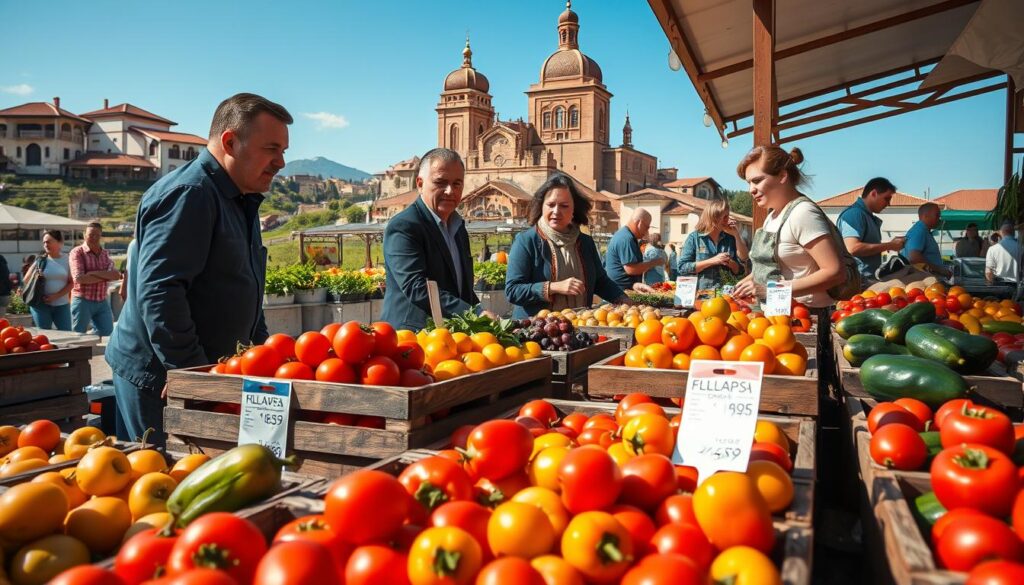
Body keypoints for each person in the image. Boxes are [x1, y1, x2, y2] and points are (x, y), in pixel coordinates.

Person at [106, 93, 291, 446]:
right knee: (165, 479)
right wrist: (194, 375)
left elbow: (243, 287)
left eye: (284, 151)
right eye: (272, 149)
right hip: (161, 381)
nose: (280, 162)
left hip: (207, 377)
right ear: (230, 142)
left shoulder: (239, 198)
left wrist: (263, 353)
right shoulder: (191, 194)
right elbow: (160, 292)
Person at [381, 148, 495, 331]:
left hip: (451, 336)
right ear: (419, 183)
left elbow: (461, 288)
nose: (450, 191)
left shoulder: (458, 228)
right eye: (440, 182)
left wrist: (479, 313)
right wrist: (474, 314)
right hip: (413, 338)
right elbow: (417, 287)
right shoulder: (404, 227)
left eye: (457, 184)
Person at [732, 146, 846, 309]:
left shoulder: (803, 213)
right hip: (778, 317)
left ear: (782, 176)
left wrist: (770, 290)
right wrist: (748, 282)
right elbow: (770, 266)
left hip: (807, 317)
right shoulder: (772, 216)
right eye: (749, 183)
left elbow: (835, 272)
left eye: (757, 180)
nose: (751, 189)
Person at [505, 172, 631, 317]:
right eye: (551, 205)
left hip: (580, 329)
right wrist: (553, 287)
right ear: (542, 207)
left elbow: (600, 281)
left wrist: (623, 299)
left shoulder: (585, 242)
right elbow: (513, 290)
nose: (556, 211)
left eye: (564, 206)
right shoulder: (526, 241)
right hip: (535, 332)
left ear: (573, 210)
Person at [836, 177, 905, 282]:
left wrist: (890, 244)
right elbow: (853, 248)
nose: (888, 204)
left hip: (866, 279)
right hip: (860, 282)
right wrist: (890, 245)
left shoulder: (865, 215)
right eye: (886, 198)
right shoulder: (855, 214)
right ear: (873, 194)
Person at [678, 195, 750, 290]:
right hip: (701, 295)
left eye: (728, 216)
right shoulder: (694, 238)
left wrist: (736, 234)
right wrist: (713, 261)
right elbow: (682, 268)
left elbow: (742, 266)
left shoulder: (730, 238)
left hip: (726, 295)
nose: (727, 220)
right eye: (724, 217)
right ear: (713, 218)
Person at [69, 222, 121, 336]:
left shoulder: (105, 254)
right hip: (82, 300)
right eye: (91, 234)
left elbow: (116, 275)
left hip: (101, 300)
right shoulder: (77, 252)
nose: (94, 238)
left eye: (97, 235)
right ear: (84, 235)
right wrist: (105, 276)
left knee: (107, 332)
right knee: (78, 335)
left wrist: (92, 274)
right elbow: (79, 278)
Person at [24, 230, 73, 330]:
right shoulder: (40, 260)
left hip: (62, 304)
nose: (46, 244)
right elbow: (26, 280)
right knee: (45, 335)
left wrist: (56, 296)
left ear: (60, 242)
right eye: (44, 242)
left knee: (67, 333)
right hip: (40, 304)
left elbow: (72, 283)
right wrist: (36, 276)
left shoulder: (68, 259)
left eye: (49, 241)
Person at [604, 209, 662, 291]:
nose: (647, 231)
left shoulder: (625, 235)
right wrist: (654, 262)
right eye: (647, 227)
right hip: (621, 291)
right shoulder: (627, 238)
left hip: (620, 289)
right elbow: (631, 269)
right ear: (640, 223)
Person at [902, 202, 950, 276]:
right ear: (925, 216)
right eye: (937, 215)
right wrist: (939, 269)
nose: (939, 219)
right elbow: (914, 257)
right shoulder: (919, 230)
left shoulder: (924, 231)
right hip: (922, 280)